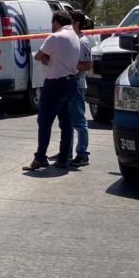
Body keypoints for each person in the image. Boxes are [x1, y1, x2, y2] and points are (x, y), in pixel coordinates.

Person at [24, 11, 81, 171]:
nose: (51, 26)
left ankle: (40, 158)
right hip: (70, 82)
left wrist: (45, 57)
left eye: (52, 23)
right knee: (66, 123)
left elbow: (38, 56)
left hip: (55, 84)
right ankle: (63, 158)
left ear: (56, 22)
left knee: (44, 122)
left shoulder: (55, 37)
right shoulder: (74, 36)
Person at [49, 10, 92, 167]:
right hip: (66, 82)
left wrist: (70, 65)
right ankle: (66, 152)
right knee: (66, 120)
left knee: (79, 121)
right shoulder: (69, 39)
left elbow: (87, 65)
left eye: (70, 22)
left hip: (77, 83)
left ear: (77, 24)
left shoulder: (83, 42)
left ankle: (82, 154)